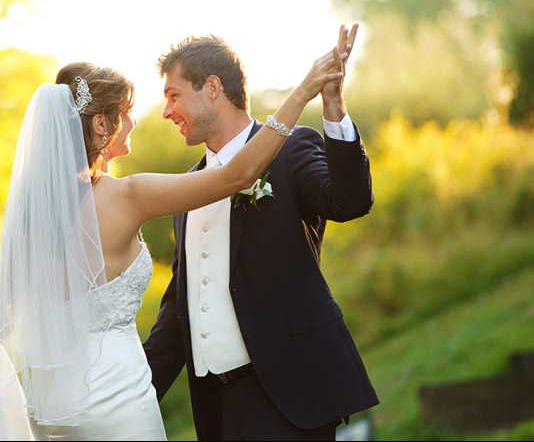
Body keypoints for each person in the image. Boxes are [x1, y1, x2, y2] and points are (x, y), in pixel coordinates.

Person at [0, 40, 348, 441]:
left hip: (53, 411)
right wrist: (304, 92)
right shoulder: (127, 196)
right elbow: (235, 177)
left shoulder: (39, 220)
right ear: (101, 125)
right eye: (126, 112)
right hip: (117, 400)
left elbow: (3, 309)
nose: (136, 120)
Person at [142, 25, 379, 441]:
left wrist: (334, 108)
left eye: (173, 95)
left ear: (212, 87)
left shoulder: (291, 151)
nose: (166, 112)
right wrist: (128, 396)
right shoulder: (188, 188)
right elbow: (182, 303)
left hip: (288, 394)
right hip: (217, 408)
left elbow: (350, 201)